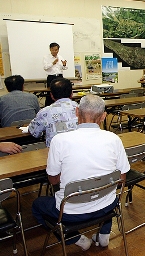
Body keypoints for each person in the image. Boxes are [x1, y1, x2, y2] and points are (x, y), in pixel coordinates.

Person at [32, 94, 130, 251]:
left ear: (76, 112)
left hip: (70, 212)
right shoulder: (114, 139)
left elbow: (53, 181)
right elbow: (122, 178)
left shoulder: (59, 140)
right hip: (107, 205)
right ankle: (104, 234)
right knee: (105, 188)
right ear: (104, 116)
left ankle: (75, 238)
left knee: (37, 206)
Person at [28, 78, 78, 147]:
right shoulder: (81, 108)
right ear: (72, 94)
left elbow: (34, 133)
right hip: (78, 150)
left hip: (55, 153)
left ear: (51, 95)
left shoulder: (45, 112)